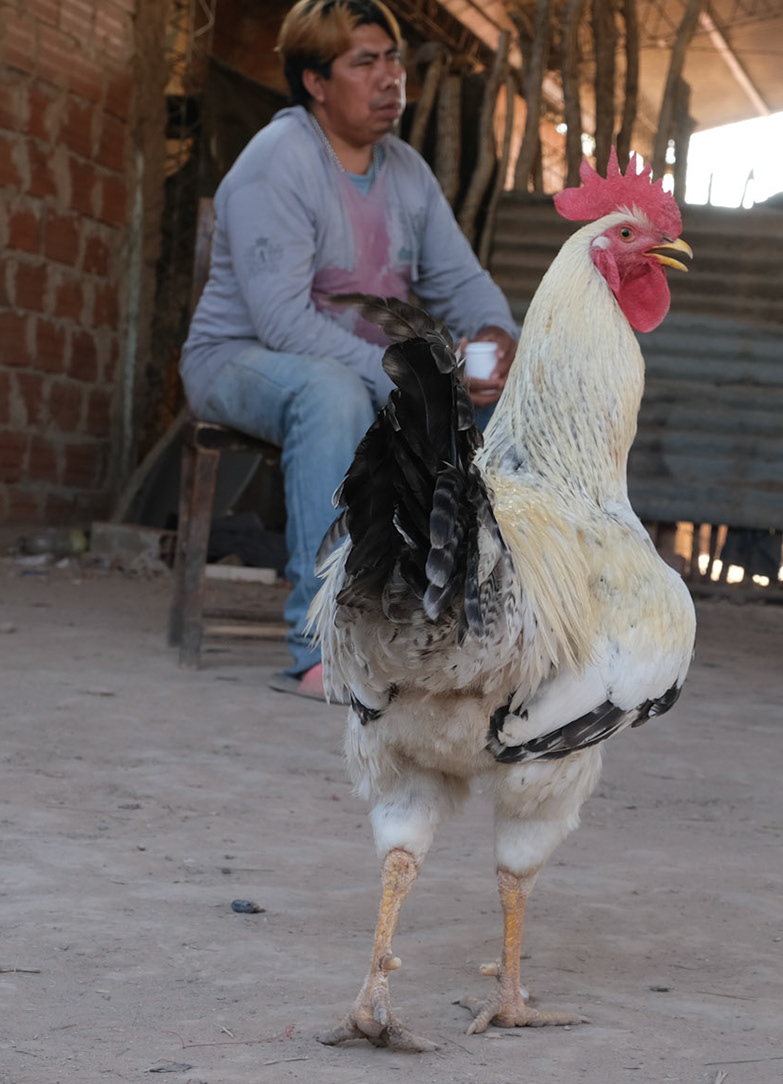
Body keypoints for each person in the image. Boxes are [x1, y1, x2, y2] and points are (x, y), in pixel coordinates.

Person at [179, 0, 519, 699]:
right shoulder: (280, 159)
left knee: (497, 403)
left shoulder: (406, 171)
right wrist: (408, 378)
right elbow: (281, 323)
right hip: (239, 358)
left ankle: (465, 637)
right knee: (331, 394)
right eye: (364, 63)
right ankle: (321, 649)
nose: (390, 77)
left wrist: (494, 333)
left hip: (361, 369)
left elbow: (461, 280)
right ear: (315, 82)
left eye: (392, 59)